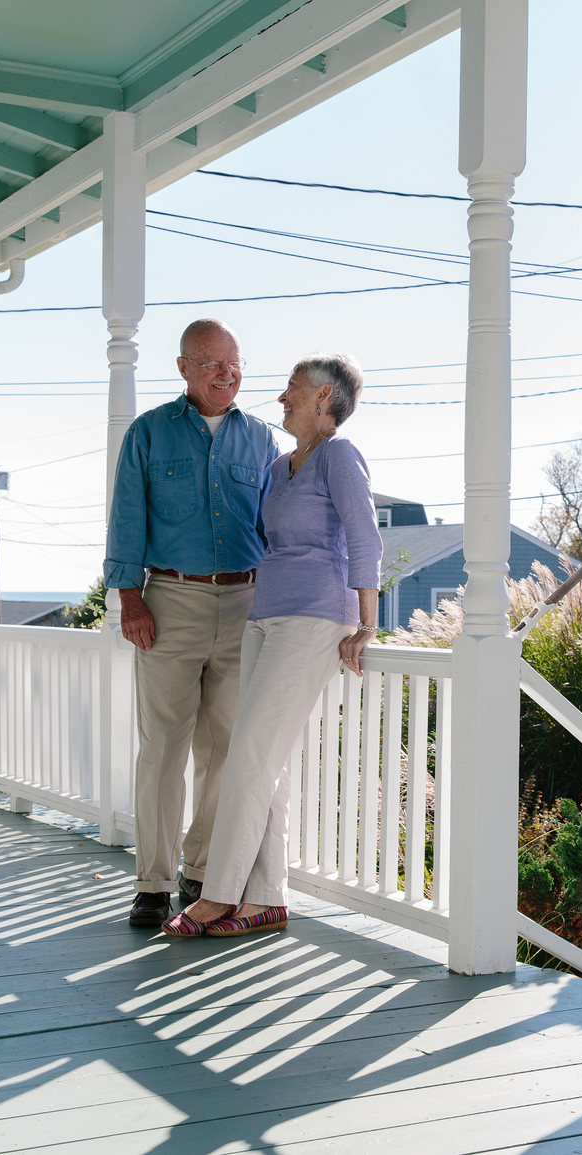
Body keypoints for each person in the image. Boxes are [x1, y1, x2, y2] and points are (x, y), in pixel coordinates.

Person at [163, 352, 381, 938]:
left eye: (291, 387)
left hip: (314, 617)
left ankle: (217, 895)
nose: (281, 397)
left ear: (323, 398)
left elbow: (363, 535)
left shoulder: (339, 455)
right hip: (264, 615)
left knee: (249, 755)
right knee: (266, 761)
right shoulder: (283, 465)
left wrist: (367, 622)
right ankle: (265, 898)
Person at [103, 318, 280, 928]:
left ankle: (201, 871)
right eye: (211, 363)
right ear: (183, 368)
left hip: (245, 606)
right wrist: (131, 600)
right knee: (162, 749)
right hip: (168, 602)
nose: (226, 373)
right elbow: (126, 520)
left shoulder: (261, 441)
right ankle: (152, 882)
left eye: (234, 363)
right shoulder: (148, 435)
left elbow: (278, 531)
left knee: (226, 750)